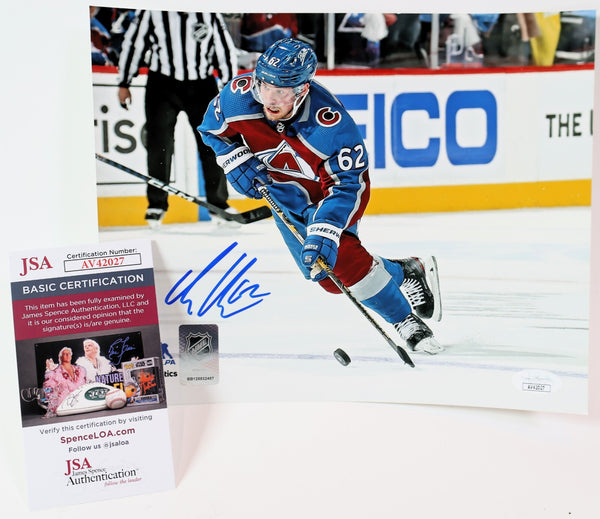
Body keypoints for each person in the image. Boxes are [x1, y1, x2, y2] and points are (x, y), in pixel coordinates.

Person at [198, 38, 443, 355]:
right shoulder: (238, 97)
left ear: (302, 90)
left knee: (342, 260)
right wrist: (233, 158)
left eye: (281, 92)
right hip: (285, 197)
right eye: (264, 87)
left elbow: (348, 185)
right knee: (328, 279)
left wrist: (325, 228)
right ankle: (406, 271)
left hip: (330, 197)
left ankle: (405, 321)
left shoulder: (331, 125)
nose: (269, 99)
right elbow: (212, 129)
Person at [117, 10, 239, 227]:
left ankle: (218, 204)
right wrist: (124, 82)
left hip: (202, 85)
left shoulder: (209, 13)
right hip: (162, 85)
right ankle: (156, 205)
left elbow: (224, 50)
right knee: (159, 145)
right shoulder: (153, 12)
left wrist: (229, 89)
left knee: (212, 144)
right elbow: (134, 43)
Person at [43, 347, 87, 415]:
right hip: (64, 407)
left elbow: (85, 386)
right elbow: (49, 391)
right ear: (60, 357)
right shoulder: (55, 373)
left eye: (69, 353)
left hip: (81, 405)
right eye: (65, 354)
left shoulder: (80, 370)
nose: (67, 355)